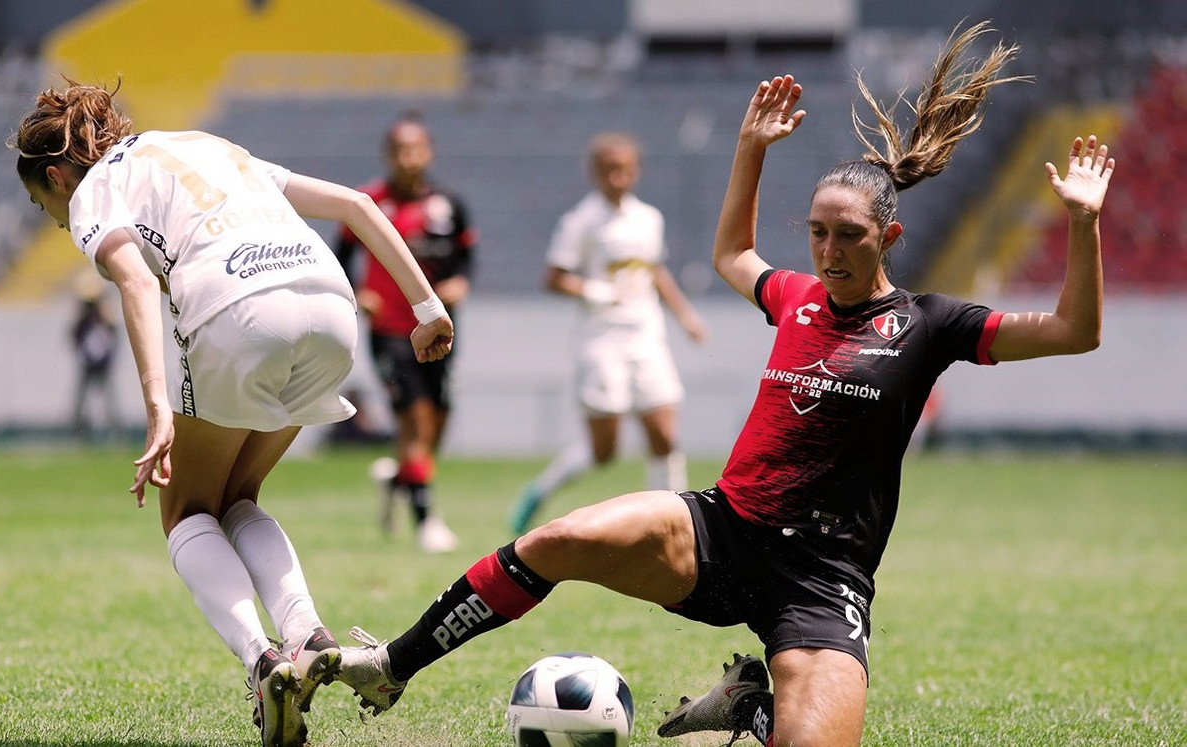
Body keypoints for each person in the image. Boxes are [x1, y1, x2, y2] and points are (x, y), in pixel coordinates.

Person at [330, 22, 1114, 747]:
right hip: (719, 532)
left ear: (890, 237)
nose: (830, 250)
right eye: (817, 232)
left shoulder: (930, 322)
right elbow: (734, 256)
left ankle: (752, 705)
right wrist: (752, 147)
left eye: (851, 236)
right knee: (555, 541)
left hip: (821, 580)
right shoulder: (797, 296)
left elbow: (1074, 331)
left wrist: (1082, 222)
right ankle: (392, 664)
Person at [9, 79, 453, 747]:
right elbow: (357, 204)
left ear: (54, 176)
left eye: (39, 201)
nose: (48, 215)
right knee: (238, 496)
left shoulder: (96, 189)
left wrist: (158, 406)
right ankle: (306, 633)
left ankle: (263, 660)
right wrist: (428, 307)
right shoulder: (205, 144)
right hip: (329, 302)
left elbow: (133, 279)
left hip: (235, 307)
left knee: (188, 509)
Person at [509, 132, 709, 536]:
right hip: (601, 341)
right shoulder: (581, 222)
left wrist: (685, 316)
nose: (618, 178)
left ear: (636, 171)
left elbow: (655, 270)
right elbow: (554, 277)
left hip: (646, 336)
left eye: (625, 170)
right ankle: (540, 490)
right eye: (610, 170)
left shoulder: (649, 218)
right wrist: (594, 290)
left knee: (665, 433)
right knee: (605, 451)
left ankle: (671, 525)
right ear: (596, 173)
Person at [334, 112, 475, 553]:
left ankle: (401, 479)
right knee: (414, 417)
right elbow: (341, 253)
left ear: (428, 152)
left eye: (415, 148)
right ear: (388, 155)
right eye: (399, 150)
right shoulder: (367, 202)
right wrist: (357, 292)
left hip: (438, 327)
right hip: (391, 330)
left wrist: (460, 282)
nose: (407, 158)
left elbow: (465, 257)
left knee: (438, 417)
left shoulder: (449, 205)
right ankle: (426, 521)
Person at [67, 277, 122, 442]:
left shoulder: (104, 319)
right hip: (88, 365)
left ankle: (116, 436)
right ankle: (81, 436)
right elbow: (73, 336)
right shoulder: (83, 322)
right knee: (80, 403)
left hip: (102, 365)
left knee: (109, 403)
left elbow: (114, 335)